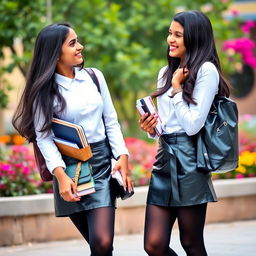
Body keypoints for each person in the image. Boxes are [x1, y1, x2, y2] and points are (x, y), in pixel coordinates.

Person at [12, 23, 133, 256]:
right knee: (98, 246)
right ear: (55, 52)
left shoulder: (94, 77)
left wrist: (122, 156)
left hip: (100, 164)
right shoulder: (43, 92)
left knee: (102, 242)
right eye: (73, 43)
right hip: (68, 170)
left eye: (78, 41)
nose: (81, 47)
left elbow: (111, 121)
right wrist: (61, 176)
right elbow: (44, 137)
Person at [139, 11, 230, 256]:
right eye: (170, 33)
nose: (171, 39)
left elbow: (192, 125)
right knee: (153, 244)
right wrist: (152, 128)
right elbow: (167, 126)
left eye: (178, 34)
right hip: (164, 161)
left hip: (190, 162)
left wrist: (177, 89)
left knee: (191, 243)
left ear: (194, 38)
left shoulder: (206, 71)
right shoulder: (165, 72)